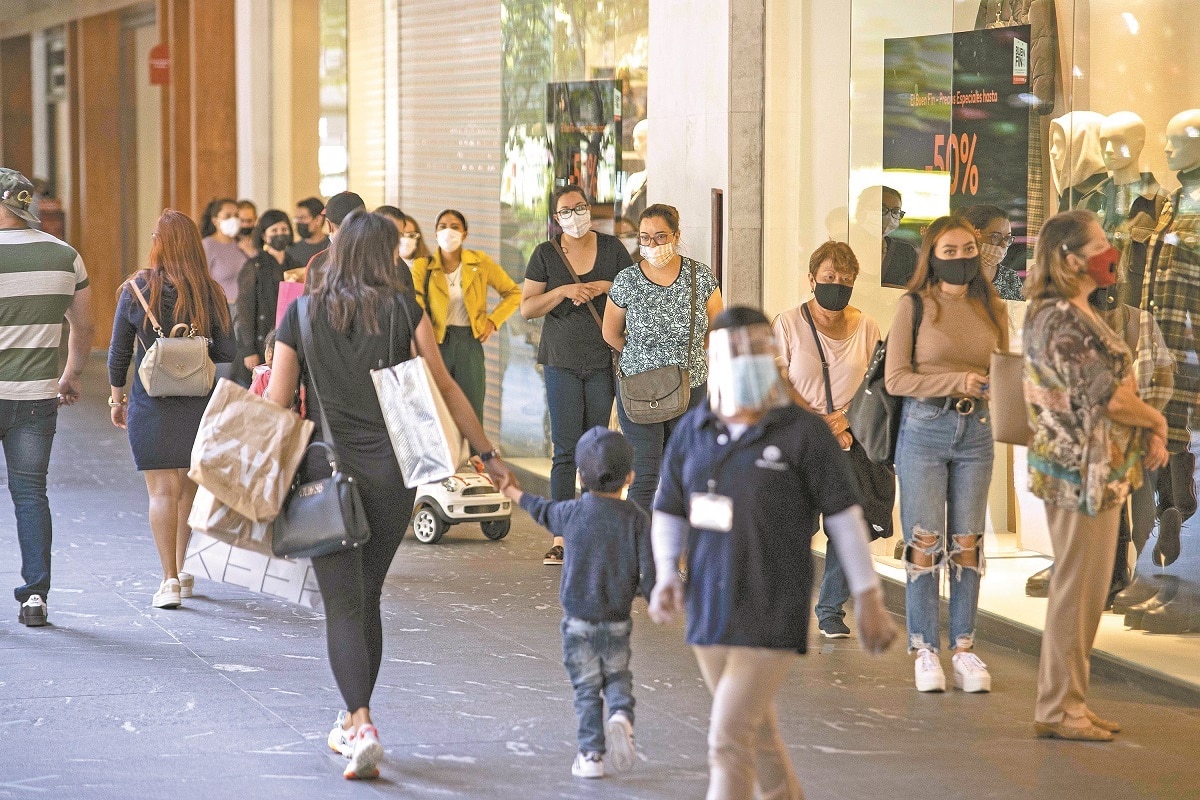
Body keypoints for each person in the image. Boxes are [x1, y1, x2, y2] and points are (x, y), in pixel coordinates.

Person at [265, 210, 513, 780]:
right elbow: (445, 383)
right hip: (395, 475)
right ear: (384, 257)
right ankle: (353, 720)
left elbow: (279, 400)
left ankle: (360, 722)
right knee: (367, 595)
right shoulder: (404, 308)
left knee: (342, 606)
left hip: (327, 475)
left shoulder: (300, 311)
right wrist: (487, 456)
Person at [648, 306, 896, 800]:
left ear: (772, 355)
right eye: (730, 350)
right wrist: (665, 575)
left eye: (754, 347)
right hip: (709, 606)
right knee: (756, 732)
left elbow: (844, 516)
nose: (744, 358)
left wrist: (868, 597)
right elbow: (669, 509)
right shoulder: (694, 429)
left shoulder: (802, 433)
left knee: (727, 738)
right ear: (710, 359)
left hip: (772, 605)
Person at [1023, 209, 1168, 741]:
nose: (1110, 251)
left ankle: (1067, 702)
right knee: (1077, 591)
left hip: (1096, 471)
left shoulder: (1074, 311)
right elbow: (1104, 395)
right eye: (1100, 242)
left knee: (1083, 593)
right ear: (1069, 256)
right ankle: (1063, 707)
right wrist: (1155, 420)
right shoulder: (1059, 316)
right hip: (1078, 472)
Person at [884, 214, 1008, 693]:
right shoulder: (914, 305)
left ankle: (963, 646)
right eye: (948, 251)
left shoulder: (992, 307)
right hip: (925, 428)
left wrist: (1001, 388)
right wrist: (957, 380)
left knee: (969, 543)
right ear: (931, 256)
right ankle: (923, 647)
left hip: (977, 429)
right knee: (924, 540)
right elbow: (897, 379)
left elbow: (1004, 369)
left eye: (967, 249)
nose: (960, 259)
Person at [501, 427, 653, 779]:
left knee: (586, 689)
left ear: (580, 476)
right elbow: (650, 569)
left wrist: (510, 489)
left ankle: (591, 757)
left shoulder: (570, 513)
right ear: (629, 476)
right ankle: (620, 714)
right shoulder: (636, 519)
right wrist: (656, 595)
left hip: (578, 621)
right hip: (616, 619)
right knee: (616, 674)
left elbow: (539, 508)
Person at [108, 210, 236, 610]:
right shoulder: (210, 291)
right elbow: (228, 351)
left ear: (159, 243)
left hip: (151, 403)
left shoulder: (135, 289)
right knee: (187, 491)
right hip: (198, 403)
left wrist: (117, 398)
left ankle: (168, 581)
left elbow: (118, 354)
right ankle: (181, 570)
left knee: (161, 492)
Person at [0, 168, 95, 627]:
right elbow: (84, 327)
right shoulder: (65, 256)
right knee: (31, 494)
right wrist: (71, 374)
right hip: (37, 396)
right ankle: (34, 596)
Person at [521, 184, 633, 566]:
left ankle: (592, 527)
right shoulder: (545, 255)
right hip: (561, 361)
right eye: (565, 211)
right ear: (556, 218)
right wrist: (565, 291)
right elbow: (527, 307)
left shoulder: (613, 249)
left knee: (597, 445)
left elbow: (634, 292)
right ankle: (562, 536)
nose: (574, 215)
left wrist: (606, 286)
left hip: (602, 360)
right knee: (566, 449)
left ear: (590, 209)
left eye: (579, 207)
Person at [773, 241, 881, 639]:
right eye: (830, 278)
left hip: (848, 439)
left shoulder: (867, 326)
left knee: (845, 525)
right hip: (798, 437)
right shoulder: (787, 323)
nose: (837, 285)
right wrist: (818, 422)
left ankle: (831, 608)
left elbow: (875, 384)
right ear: (812, 279)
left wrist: (844, 422)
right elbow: (778, 379)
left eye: (845, 280)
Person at [602, 204, 723, 513]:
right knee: (645, 474)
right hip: (640, 389)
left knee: (684, 473)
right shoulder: (627, 280)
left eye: (659, 236)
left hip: (690, 385)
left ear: (676, 236)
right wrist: (643, 358)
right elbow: (611, 333)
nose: (652, 245)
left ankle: (677, 553)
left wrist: (700, 357)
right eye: (645, 238)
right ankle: (636, 552)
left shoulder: (700, 277)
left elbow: (717, 327)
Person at [412, 209, 522, 422]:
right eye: (442, 226)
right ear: (435, 233)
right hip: (436, 343)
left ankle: (473, 455)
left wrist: (492, 321)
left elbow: (513, 293)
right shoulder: (423, 266)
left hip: (469, 343)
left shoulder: (480, 263)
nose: (448, 232)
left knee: (471, 408)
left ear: (465, 233)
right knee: (436, 409)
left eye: (455, 227)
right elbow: (415, 305)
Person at [236, 209, 299, 373]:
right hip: (261, 340)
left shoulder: (296, 265)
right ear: (264, 235)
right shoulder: (254, 266)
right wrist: (249, 349)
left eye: (284, 230)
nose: (280, 234)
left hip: (289, 337)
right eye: (274, 230)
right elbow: (245, 308)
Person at [960, 204, 1023, 300]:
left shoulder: (1010, 278)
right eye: (995, 236)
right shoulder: (957, 276)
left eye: (1007, 238)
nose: (1004, 244)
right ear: (974, 234)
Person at [879, 186, 919, 289]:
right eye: (882, 209)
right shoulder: (848, 247)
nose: (888, 216)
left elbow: (918, 291)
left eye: (895, 211)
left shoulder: (905, 253)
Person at [374, 205, 430, 271]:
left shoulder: (403, 271)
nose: (393, 238)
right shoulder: (362, 264)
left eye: (398, 234)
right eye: (390, 232)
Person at [287, 196, 330, 267]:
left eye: (303, 218)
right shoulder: (291, 251)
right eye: (297, 218)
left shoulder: (333, 246)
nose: (299, 222)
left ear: (318, 220)